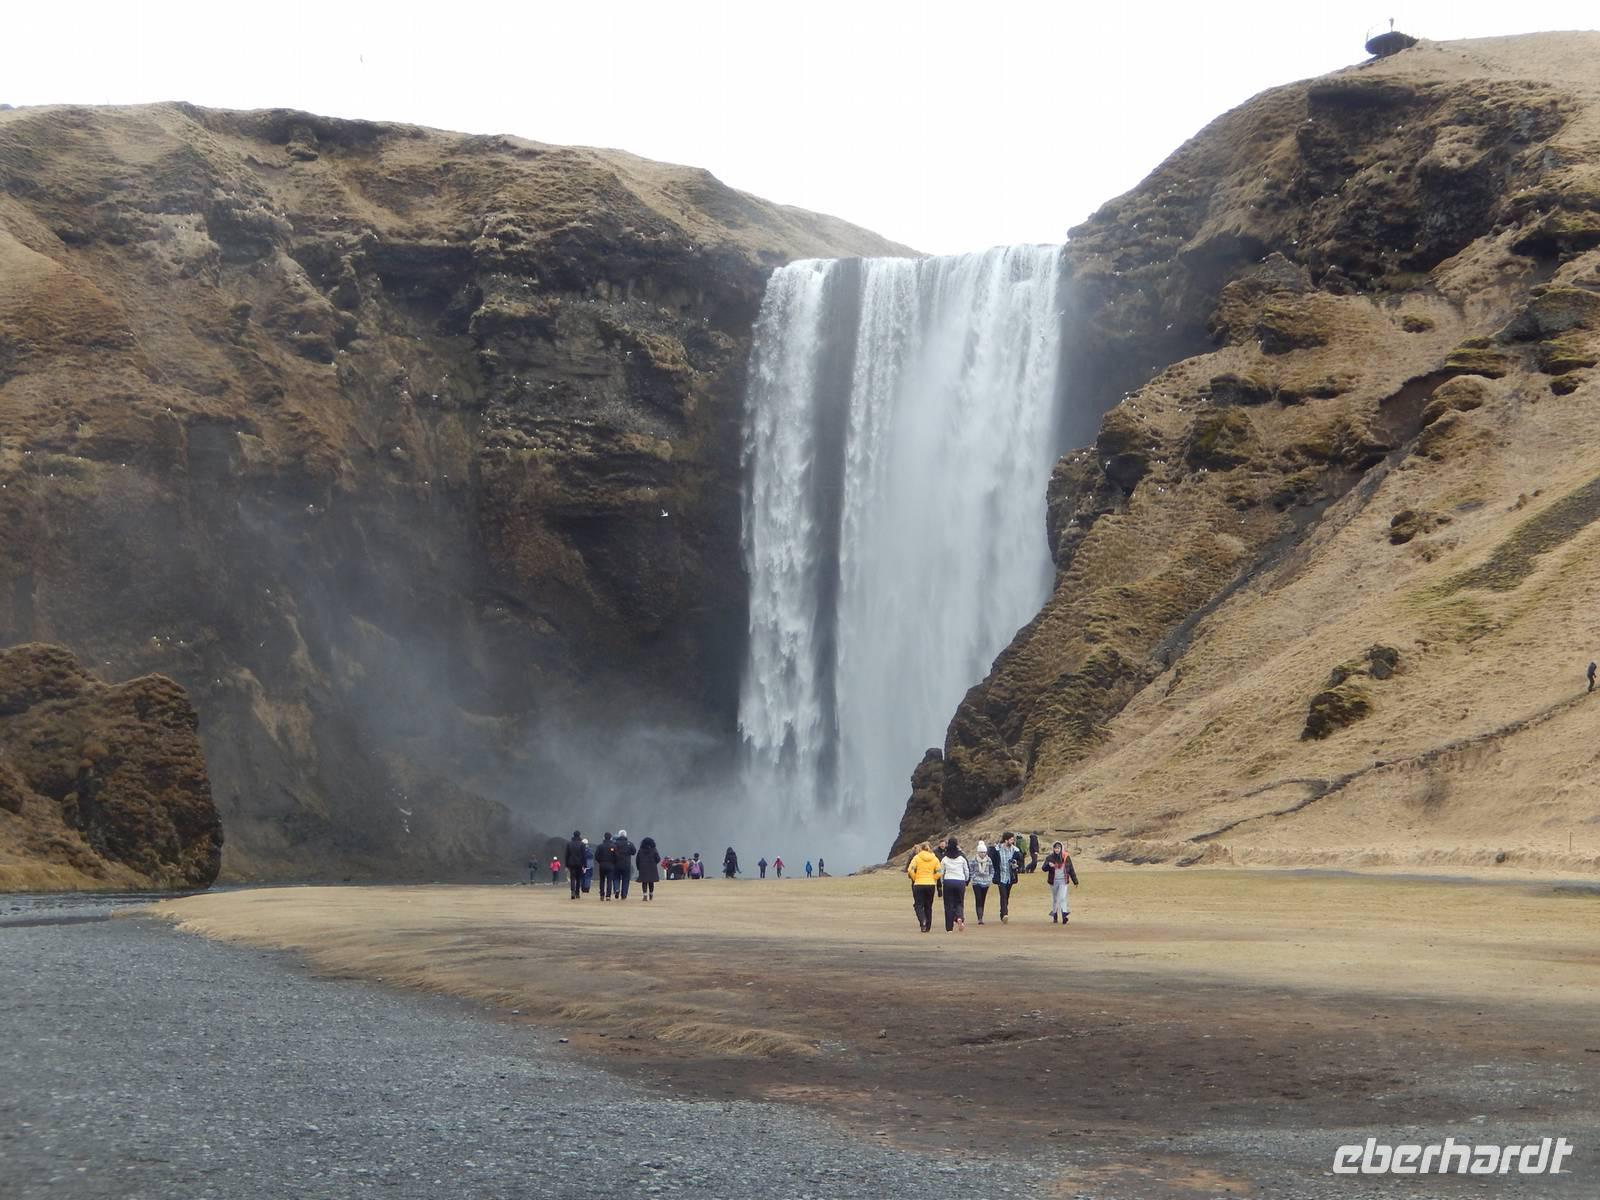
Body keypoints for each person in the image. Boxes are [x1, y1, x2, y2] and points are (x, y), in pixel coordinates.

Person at [906, 841, 942, 933]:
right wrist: (933, 879)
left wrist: (915, 878)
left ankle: (923, 921)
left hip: (919, 883)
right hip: (930, 884)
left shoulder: (917, 858)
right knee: (928, 906)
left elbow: (910, 870)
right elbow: (939, 872)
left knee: (918, 905)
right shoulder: (935, 859)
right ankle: (928, 926)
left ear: (921, 849)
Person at [988, 832, 1022, 924]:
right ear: (1006, 840)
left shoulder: (1015, 850)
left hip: (1010, 876)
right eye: (1011, 839)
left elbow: (1020, 862)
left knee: (1006, 896)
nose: (1013, 841)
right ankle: (1005, 914)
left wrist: (1015, 864)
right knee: (1003, 895)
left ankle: (1002, 913)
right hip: (1001, 876)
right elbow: (992, 861)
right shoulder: (997, 849)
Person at [1045, 840, 1080, 925]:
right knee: (1055, 898)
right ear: (1053, 849)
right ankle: (1055, 915)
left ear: (1061, 848)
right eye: (1055, 848)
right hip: (1053, 881)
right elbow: (1043, 868)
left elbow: (1071, 869)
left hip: (1063, 881)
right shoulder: (1050, 857)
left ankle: (1064, 915)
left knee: (1062, 897)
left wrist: (1075, 881)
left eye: (1058, 848)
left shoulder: (1066, 857)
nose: (1057, 850)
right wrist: (1048, 865)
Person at [939, 836, 970, 932]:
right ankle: (959, 917)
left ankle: (949, 928)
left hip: (948, 881)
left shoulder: (945, 858)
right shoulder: (961, 857)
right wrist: (966, 880)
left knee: (948, 905)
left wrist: (942, 882)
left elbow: (941, 872)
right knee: (959, 902)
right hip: (960, 881)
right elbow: (966, 870)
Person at [970, 839, 994, 924]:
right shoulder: (973, 860)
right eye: (981, 852)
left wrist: (990, 878)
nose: (983, 854)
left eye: (984, 852)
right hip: (976, 882)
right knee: (978, 898)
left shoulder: (989, 860)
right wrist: (973, 877)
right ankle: (979, 918)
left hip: (986, 883)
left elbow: (992, 870)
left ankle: (981, 915)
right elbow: (970, 870)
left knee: (983, 899)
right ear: (978, 852)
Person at [636, 836, 662, 901]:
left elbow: (637, 860)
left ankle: (645, 895)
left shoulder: (640, 850)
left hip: (643, 868)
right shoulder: (654, 850)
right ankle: (651, 894)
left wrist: (638, 867)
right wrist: (654, 863)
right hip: (652, 867)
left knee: (644, 882)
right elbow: (658, 859)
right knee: (651, 882)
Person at [564, 830, 586, 900]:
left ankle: (572, 892)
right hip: (579, 863)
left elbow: (567, 855)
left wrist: (566, 865)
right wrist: (584, 865)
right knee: (578, 878)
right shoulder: (582, 844)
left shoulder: (569, 844)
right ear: (579, 835)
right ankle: (577, 893)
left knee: (572, 878)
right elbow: (584, 855)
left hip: (571, 863)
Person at [614, 830, 636, 900]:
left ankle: (617, 889)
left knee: (616, 878)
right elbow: (634, 852)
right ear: (626, 835)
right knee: (626, 879)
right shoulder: (629, 843)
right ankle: (624, 894)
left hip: (616, 864)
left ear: (619, 835)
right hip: (626, 864)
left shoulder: (615, 843)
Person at [596, 833, 617, 900]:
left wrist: (600, 861)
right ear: (611, 838)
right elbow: (616, 856)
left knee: (602, 880)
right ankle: (608, 896)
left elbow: (596, 856)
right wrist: (613, 862)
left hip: (602, 865)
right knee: (609, 881)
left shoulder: (600, 846)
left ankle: (602, 895)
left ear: (604, 837)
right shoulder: (613, 846)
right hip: (610, 865)